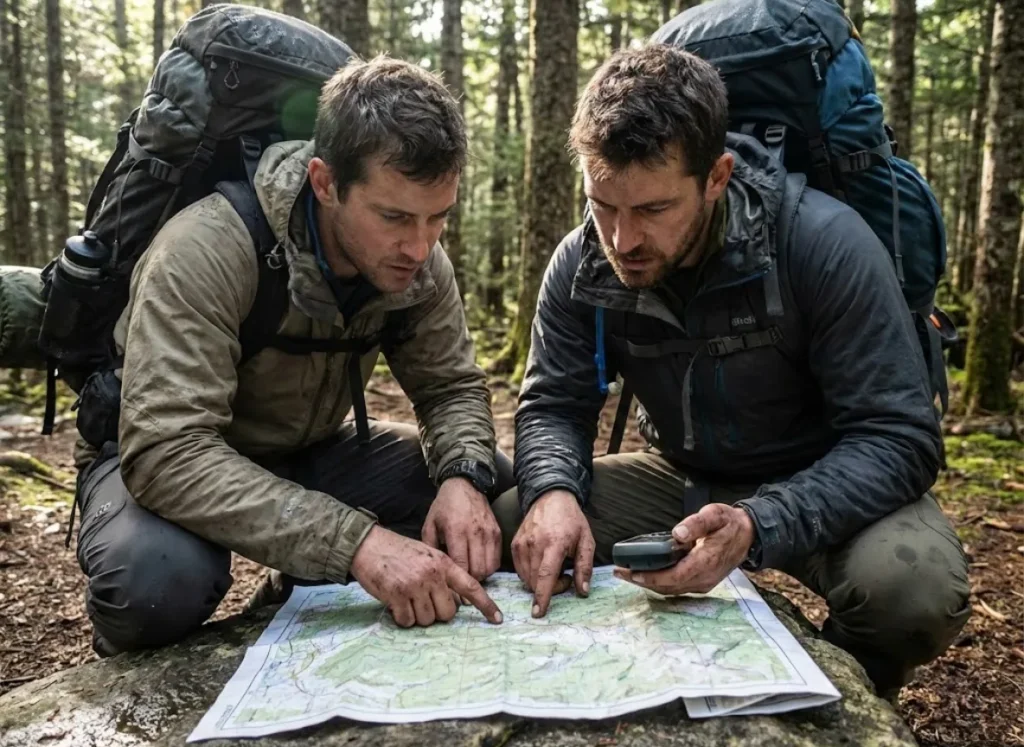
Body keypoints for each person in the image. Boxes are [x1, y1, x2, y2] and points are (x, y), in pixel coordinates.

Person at [495, 45, 970, 696]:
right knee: (514, 518)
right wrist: (552, 490)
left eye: (653, 209)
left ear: (717, 176)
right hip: (685, 478)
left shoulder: (822, 244)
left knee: (911, 591)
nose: (623, 240)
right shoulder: (584, 262)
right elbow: (554, 401)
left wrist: (761, 520)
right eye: (604, 205)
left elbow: (900, 437)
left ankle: (851, 697)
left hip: (826, 483)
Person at [74, 56, 510, 656]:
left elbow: (451, 388)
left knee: (492, 490)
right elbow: (167, 451)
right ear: (325, 183)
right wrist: (357, 544)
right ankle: (117, 662)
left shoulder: (419, 260)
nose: (419, 246)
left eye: (438, 217)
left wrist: (463, 475)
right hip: (159, 457)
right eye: (394, 217)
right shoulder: (206, 249)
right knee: (156, 581)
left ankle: (293, 591)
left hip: (307, 451)